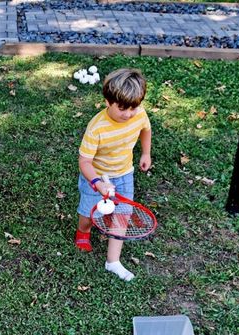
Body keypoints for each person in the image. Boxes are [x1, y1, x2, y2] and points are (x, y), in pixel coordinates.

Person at [74, 68, 152, 281]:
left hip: (124, 173)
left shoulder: (140, 114)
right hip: (96, 177)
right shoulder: (96, 128)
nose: (128, 114)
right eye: (123, 108)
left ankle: (113, 261)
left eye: (133, 107)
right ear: (108, 101)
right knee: (90, 213)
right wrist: (98, 182)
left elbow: (146, 129)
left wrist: (146, 152)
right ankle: (83, 232)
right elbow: (84, 162)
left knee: (123, 213)